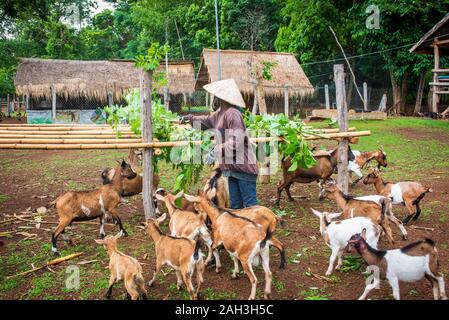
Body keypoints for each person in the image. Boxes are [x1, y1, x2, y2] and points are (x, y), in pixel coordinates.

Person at [180, 79, 258, 209]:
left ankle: (260, 229)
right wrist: (189, 118)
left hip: (244, 167)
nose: (214, 99)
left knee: (250, 206)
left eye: (216, 96)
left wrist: (216, 151)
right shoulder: (221, 114)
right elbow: (205, 122)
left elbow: (236, 140)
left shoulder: (233, 114)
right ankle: (240, 229)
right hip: (232, 169)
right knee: (236, 206)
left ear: (222, 97)